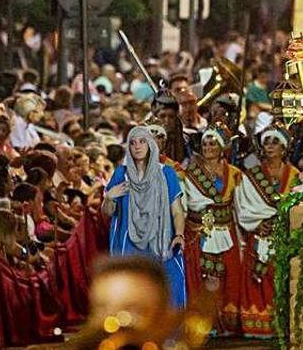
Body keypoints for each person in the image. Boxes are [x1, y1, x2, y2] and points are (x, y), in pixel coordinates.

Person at [104, 126, 188, 308]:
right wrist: (109, 198)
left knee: (169, 284)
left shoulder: (166, 173)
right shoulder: (121, 173)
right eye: (133, 142)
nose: (137, 146)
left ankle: (168, 332)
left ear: (150, 145)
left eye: (142, 141)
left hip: (162, 240)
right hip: (130, 242)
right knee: (133, 288)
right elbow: (108, 212)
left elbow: (177, 210)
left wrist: (179, 234)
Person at [231, 127, 299, 338]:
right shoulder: (251, 176)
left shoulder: (295, 175)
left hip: (283, 236)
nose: (269, 146)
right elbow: (242, 205)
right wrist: (258, 222)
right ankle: (258, 324)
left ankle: (282, 323)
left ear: (284, 148)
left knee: (280, 276)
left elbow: (298, 206)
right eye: (266, 141)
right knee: (257, 275)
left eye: (274, 142)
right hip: (259, 233)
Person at [180, 129, 244, 335]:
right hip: (202, 232)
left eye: (213, 144)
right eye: (205, 144)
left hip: (228, 230)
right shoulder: (190, 175)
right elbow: (186, 205)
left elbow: (240, 205)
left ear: (222, 147)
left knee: (229, 273)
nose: (208, 148)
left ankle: (228, 321)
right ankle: (206, 322)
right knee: (205, 276)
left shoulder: (235, 173)